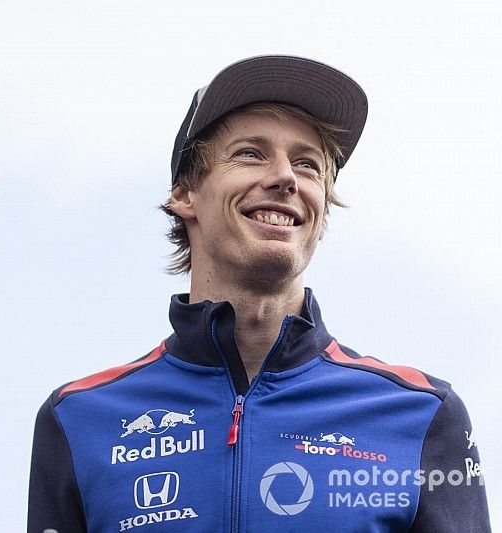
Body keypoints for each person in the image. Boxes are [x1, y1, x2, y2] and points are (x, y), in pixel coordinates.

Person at [27, 55, 490, 532]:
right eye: (250, 153)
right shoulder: (79, 418)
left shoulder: (422, 413)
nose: (286, 177)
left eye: (307, 164)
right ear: (185, 195)